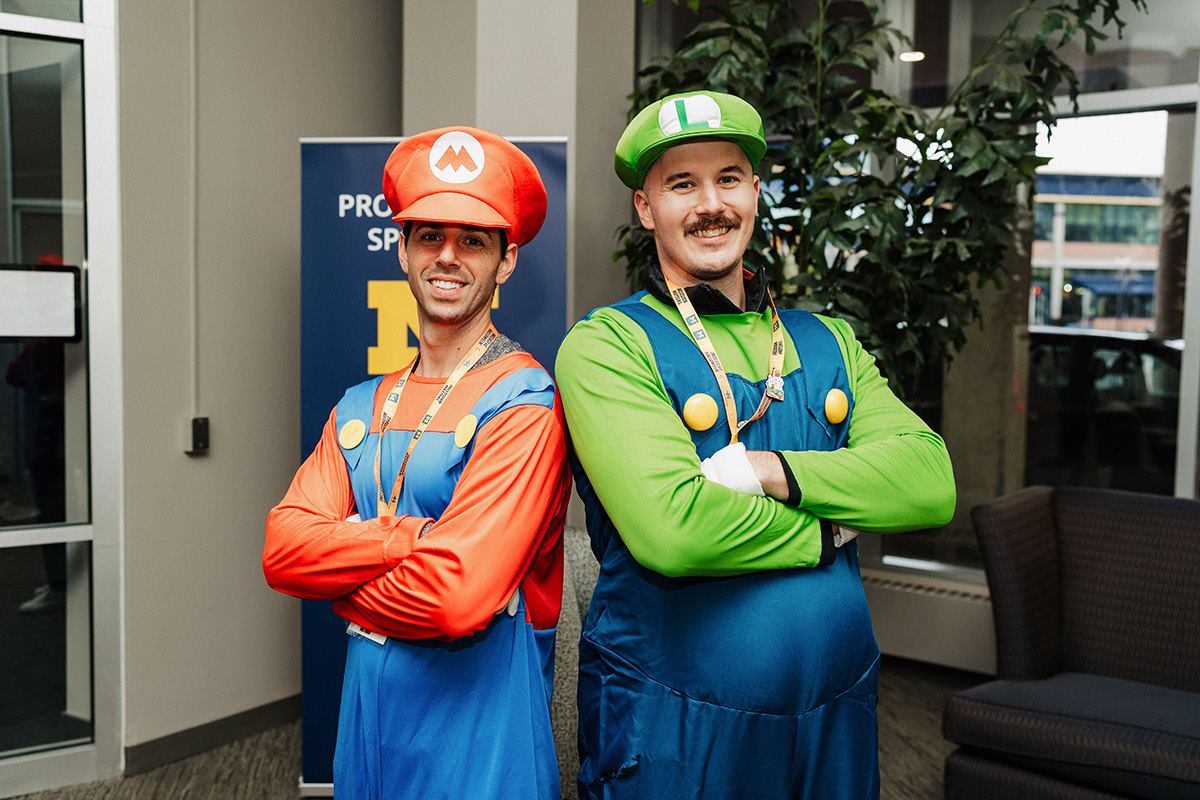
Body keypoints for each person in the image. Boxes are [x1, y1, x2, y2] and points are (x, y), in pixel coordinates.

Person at [555, 91, 956, 799]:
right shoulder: (608, 345)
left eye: (729, 179)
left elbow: (929, 481)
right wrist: (832, 525)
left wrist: (768, 470)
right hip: (677, 726)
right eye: (683, 184)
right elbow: (673, 531)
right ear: (646, 208)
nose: (711, 203)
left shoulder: (827, 339)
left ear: (756, 192)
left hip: (836, 714)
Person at [264, 126, 571, 800]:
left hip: (479, 743)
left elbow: (454, 600)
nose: (448, 257)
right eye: (429, 235)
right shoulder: (359, 405)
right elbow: (283, 550)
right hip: (366, 731)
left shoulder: (524, 405)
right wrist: (406, 538)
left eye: (474, 240)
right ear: (401, 249)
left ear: (507, 260)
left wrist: (341, 584)